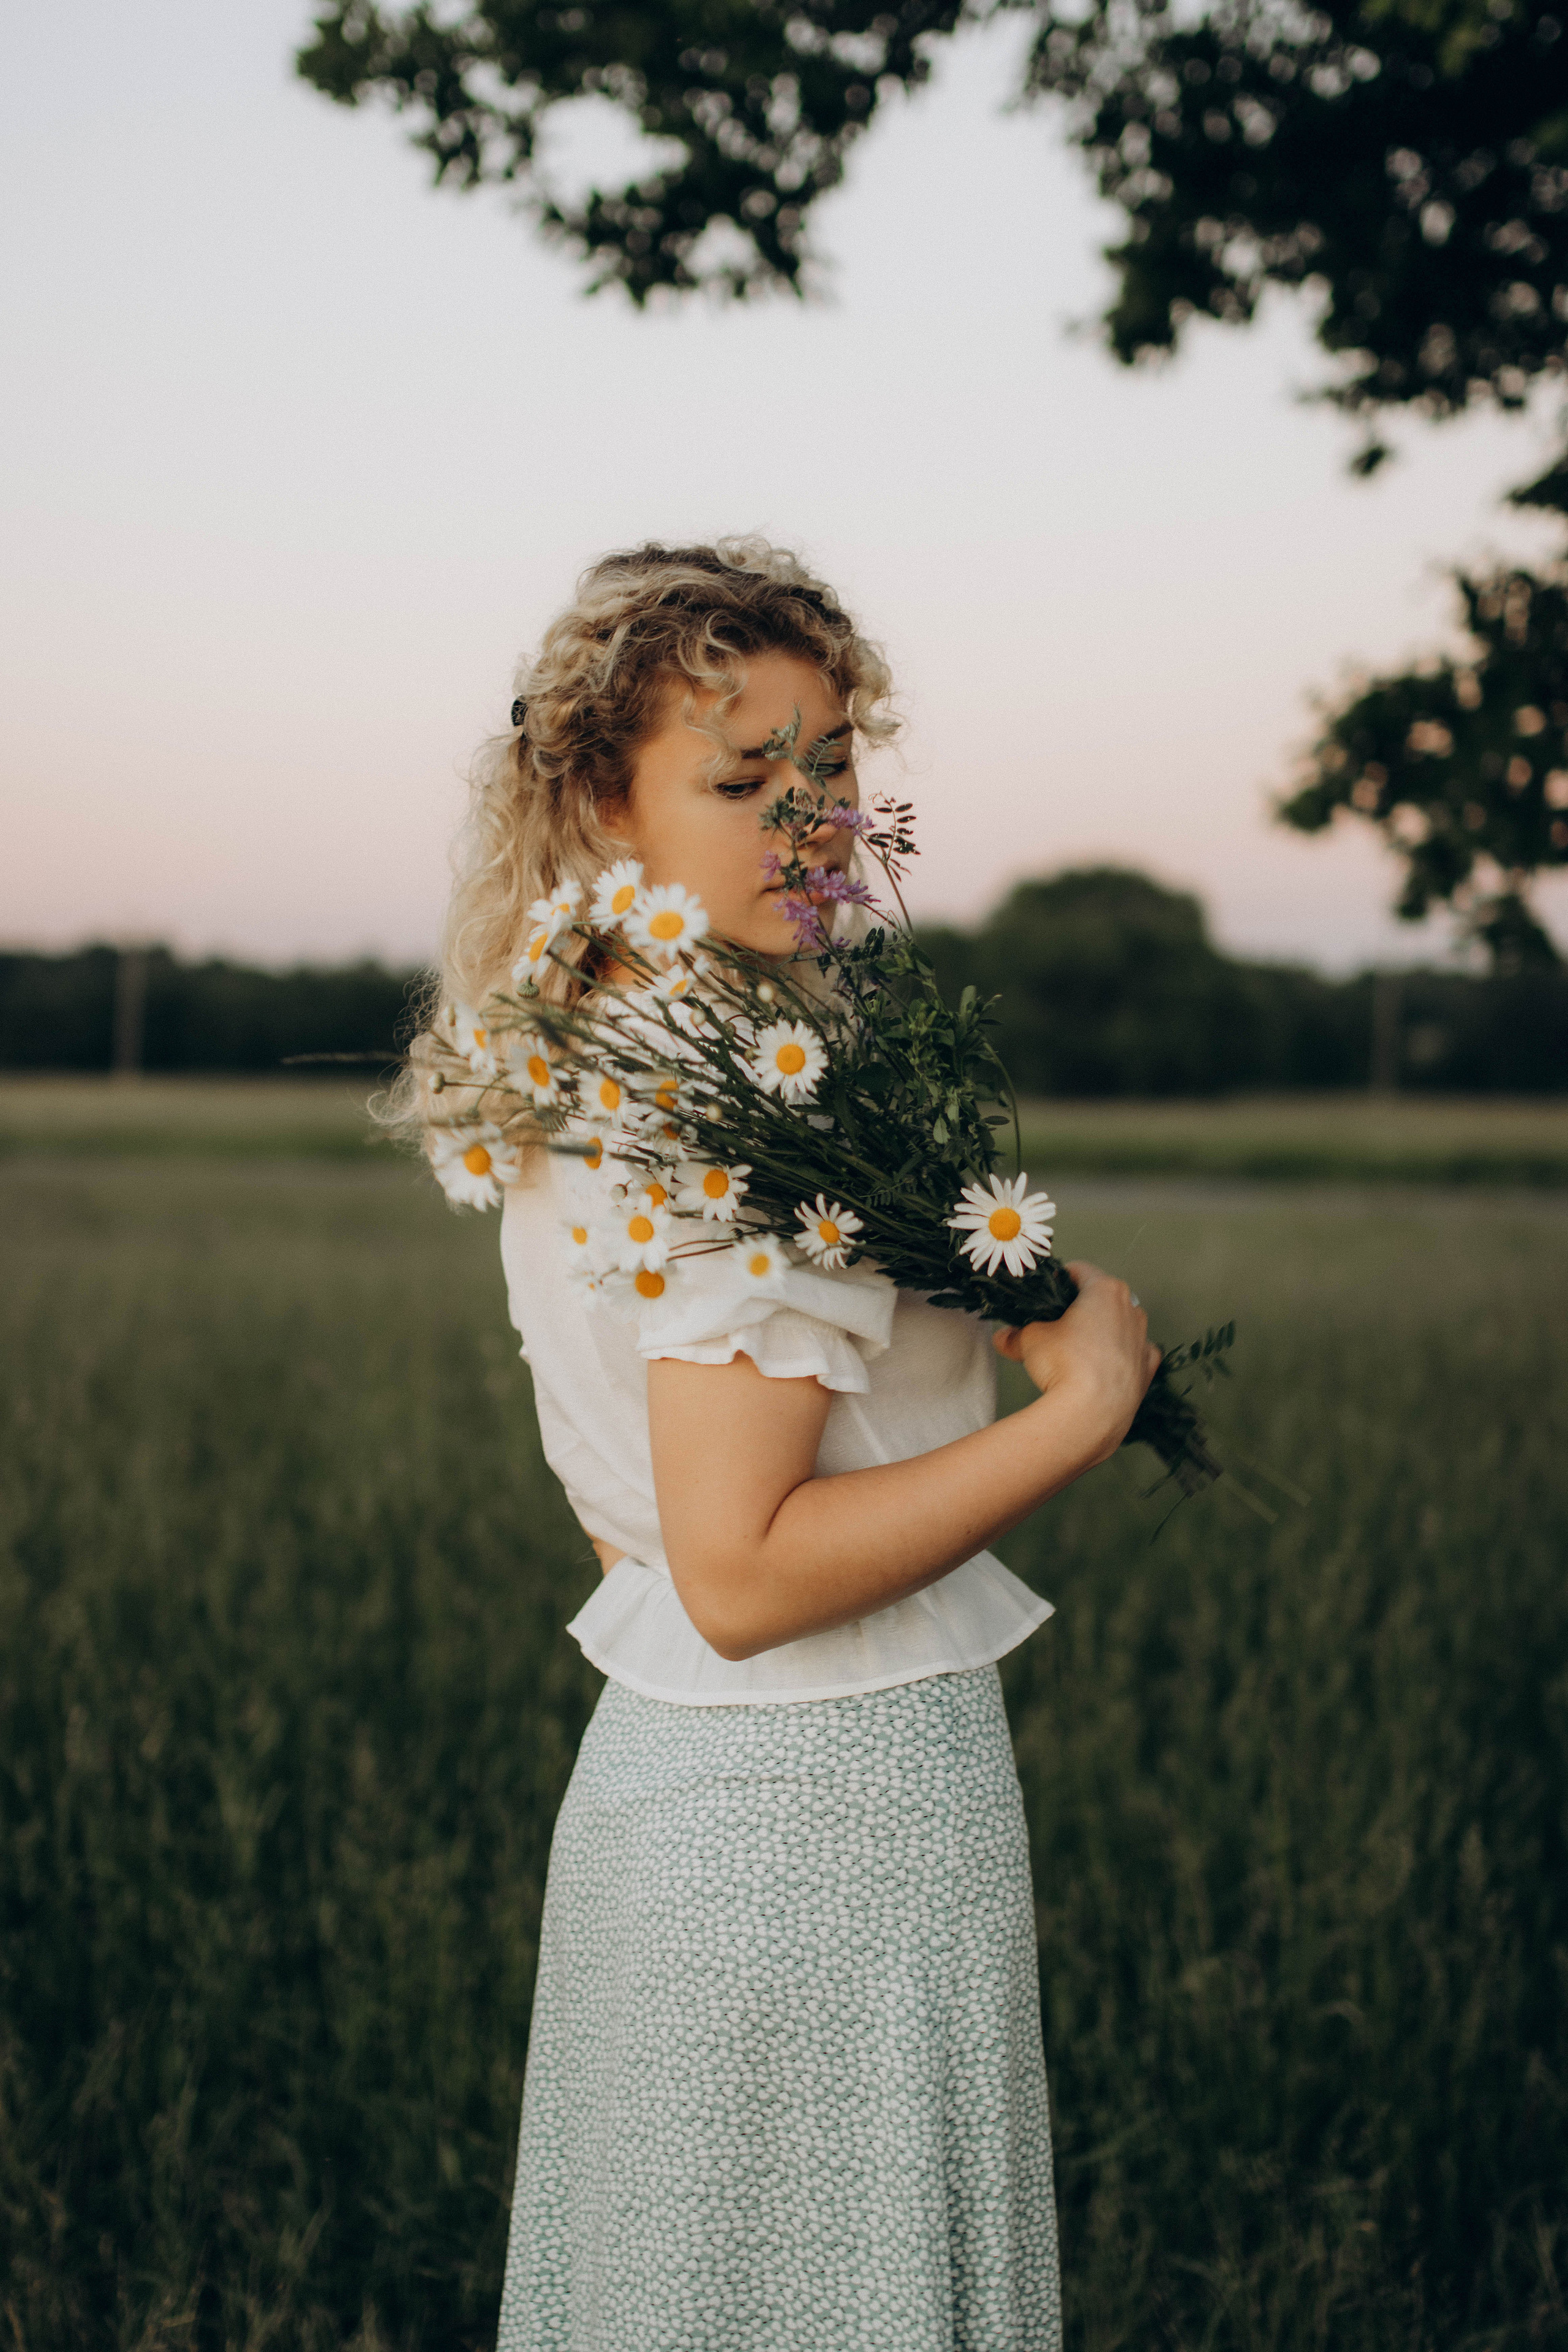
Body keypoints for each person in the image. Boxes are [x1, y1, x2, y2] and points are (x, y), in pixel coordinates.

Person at [404, 539, 1159, 2351]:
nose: (809, 822)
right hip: (822, 1823)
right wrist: (1088, 1411)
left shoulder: (595, 1057)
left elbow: (638, 1529)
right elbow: (738, 1577)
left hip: (681, 1796)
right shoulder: (733, 1099)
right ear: (604, 802)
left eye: (829, 771)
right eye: (745, 782)